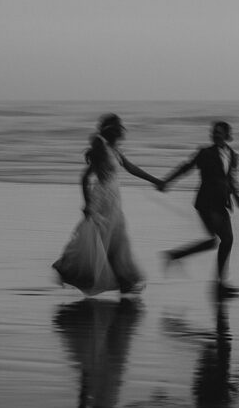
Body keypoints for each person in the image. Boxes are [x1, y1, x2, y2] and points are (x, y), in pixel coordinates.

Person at [53, 113, 162, 296]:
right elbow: (85, 177)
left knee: (117, 240)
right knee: (101, 241)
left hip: (114, 201)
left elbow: (132, 168)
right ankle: (72, 272)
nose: (121, 132)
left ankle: (124, 281)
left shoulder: (115, 150)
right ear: (111, 131)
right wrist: (87, 203)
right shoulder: (101, 148)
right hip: (102, 200)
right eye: (118, 129)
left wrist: (156, 180)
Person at [161, 121, 239, 297]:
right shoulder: (205, 153)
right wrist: (167, 181)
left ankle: (176, 256)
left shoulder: (233, 155)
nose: (215, 135)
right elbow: (186, 167)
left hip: (222, 203)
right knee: (224, 239)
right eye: (213, 132)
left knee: (219, 241)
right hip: (206, 202)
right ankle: (220, 285)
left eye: (219, 132)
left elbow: (231, 180)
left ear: (227, 136)